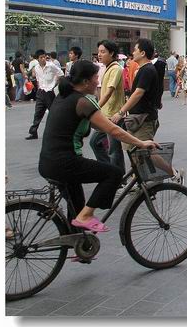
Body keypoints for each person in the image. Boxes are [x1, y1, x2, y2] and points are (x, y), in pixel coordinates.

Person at [38, 60, 159, 234]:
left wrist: (118, 127)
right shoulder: (83, 102)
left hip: (48, 162)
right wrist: (141, 142)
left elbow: (101, 125)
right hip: (64, 162)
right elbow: (112, 130)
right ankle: (86, 216)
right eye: (96, 78)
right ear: (86, 81)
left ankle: (76, 242)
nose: (98, 82)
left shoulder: (63, 96)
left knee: (77, 209)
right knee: (114, 173)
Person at [89, 40, 126, 171]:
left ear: (112, 53)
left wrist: (95, 108)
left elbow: (109, 92)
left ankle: (117, 175)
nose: (99, 54)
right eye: (98, 52)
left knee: (114, 149)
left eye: (103, 52)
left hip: (113, 116)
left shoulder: (116, 68)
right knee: (94, 142)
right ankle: (108, 169)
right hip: (105, 115)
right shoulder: (107, 68)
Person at [26, 50, 64, 140]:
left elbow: (61, 74)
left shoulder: (51, 66)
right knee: (37, 113)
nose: (43, 59)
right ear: (37, 59)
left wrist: (55, 84)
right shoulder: (36, 68)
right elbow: (38, 79)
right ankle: (33, 132)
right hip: (41, 92)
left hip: (49, 92)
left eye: (44, 57)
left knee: (54, 113)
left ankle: (60, 132)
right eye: (41, 57)